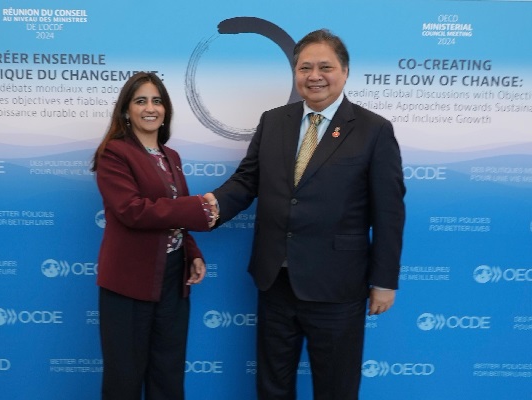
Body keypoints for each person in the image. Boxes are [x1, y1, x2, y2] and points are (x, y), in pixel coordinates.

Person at [205, 29, 406, 399]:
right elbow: (247, 181)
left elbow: (389, 212)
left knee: (336, 389)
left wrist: (384, 280)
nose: (314, 76)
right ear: (295, 72)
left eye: (325, 67)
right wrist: (209, 207)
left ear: (345, 71)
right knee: (272, 387)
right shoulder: (273, 121)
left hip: (337, 287)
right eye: (305, 68)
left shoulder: (374, 130)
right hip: (275, 282)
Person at [91, 72, 216, 400]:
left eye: (157, 101)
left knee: (168, 376)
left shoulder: (171, 156)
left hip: (172, 279)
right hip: (129, 281)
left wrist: (193, 251)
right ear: (126, 110)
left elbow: (175, 215)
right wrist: (198, 207)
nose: (150, 108)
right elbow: (132, 211)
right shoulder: (114, 153)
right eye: (141, 101)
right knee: (124, 379)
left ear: (166, 109)